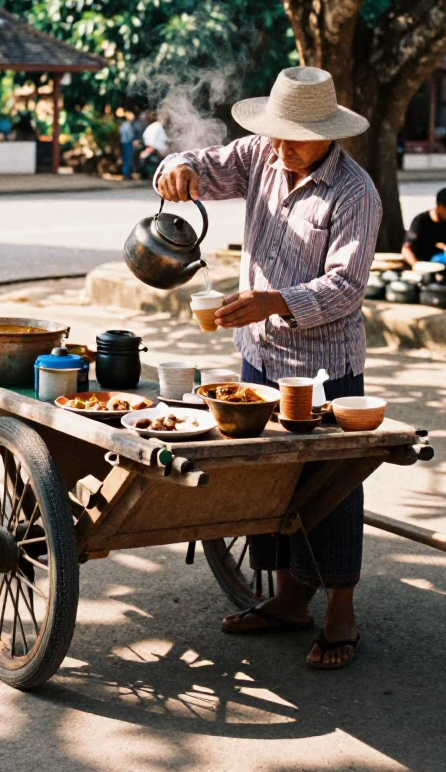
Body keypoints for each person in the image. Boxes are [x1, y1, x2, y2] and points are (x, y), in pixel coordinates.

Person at [157, 67, 380, 670]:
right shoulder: (260, 153)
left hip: (324, 368)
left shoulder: (354, 193)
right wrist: (178, 171)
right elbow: (205, 165)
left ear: (329, 134)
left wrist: (274, 300)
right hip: (257, 356)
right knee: (262, 478)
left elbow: (346, 287)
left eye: (294, 137)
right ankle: (285, 601)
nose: (280, 147)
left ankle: (340, 612)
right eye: (275, 134)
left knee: (327, 490)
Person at [402, 188, 446, 268]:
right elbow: (406, 249)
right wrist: (416, 265)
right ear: (439, 206)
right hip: (425, 265)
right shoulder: (421, 221)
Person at [138, 113, 169, 178]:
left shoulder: (151, 126)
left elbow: (145, 135)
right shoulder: (158, 126)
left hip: (150, 146)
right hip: (156, 148)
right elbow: (164, 138)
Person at [119, 114, 136, 180]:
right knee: (128, 159)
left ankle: (126, 174)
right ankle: (127, 175)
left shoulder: (123, 125)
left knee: (126, 159)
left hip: (123, 143)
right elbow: (130, 135)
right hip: (127, 143)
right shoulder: (128, 125)